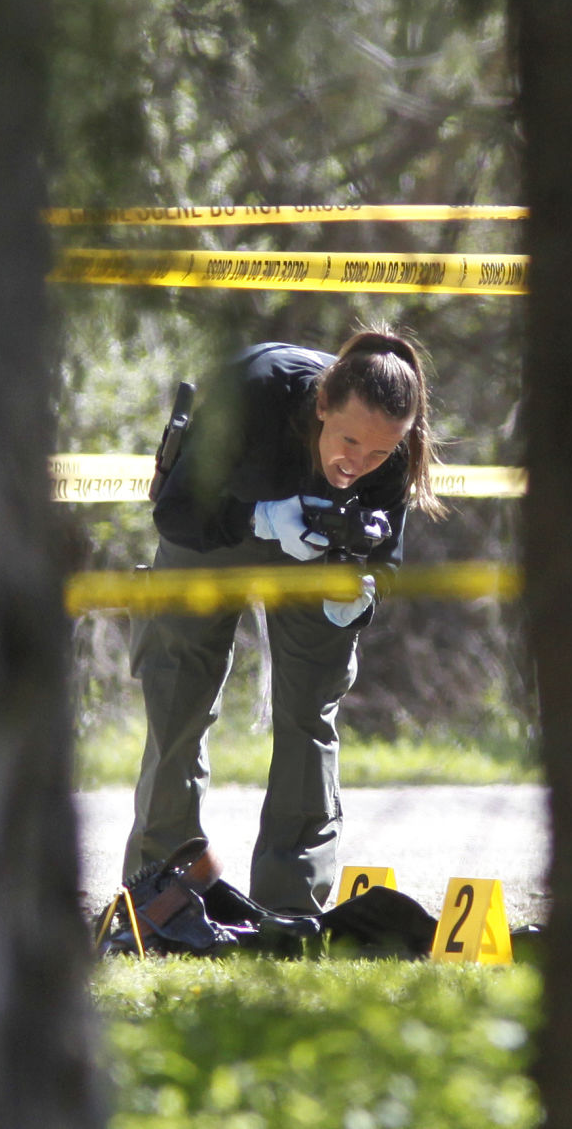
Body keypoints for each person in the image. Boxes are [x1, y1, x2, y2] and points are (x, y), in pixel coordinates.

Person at [123, 326, 443, 914]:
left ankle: (292, 903)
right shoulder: (254, 390)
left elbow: (386, 552)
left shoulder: (395, 445)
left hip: (320, 555)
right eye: (348, 441)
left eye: (378, 454)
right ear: (322, 406)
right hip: (214, 528)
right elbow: (177, 512)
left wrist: (364, 590)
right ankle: (159, 893)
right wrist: (262, 519)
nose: (358, 463)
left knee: (310, 712)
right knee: (178, 698)